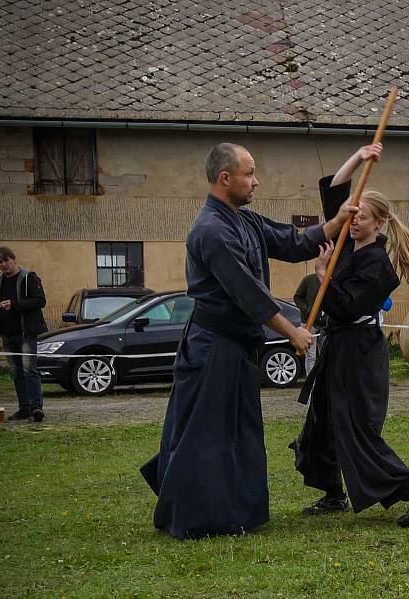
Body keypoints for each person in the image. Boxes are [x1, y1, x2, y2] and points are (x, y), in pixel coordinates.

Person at [140, 143, 356, 540]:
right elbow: (247, 292)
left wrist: (336, 221)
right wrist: (292, 332)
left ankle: (234, 513)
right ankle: (197, 518)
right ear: (226, 178)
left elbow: (290, 241)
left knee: (236, 433)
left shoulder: (244, 219)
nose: (256, 181)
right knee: (207, 435)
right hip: (212, 347)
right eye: (249, 173)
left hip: (236, 347)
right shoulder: (211, 230)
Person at [291, 144, 409, 528]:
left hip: (358, 351)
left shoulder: (378, 266)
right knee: (322, 421)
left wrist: (323, 273)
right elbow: (335, 190)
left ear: (378, 224)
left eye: (362, 217)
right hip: (337, 347)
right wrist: (359, 157)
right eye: (353, 216)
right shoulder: (344, 244)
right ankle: (332, 493)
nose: (354, 221)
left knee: (356, 428)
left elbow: (345, 307)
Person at [0, 247, 47, 422]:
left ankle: (37, 407)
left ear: (14, 259)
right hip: (7, 333)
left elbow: (40, 301)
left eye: (6, 260)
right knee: (16, 372)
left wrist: (14, 304)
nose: (4, 265)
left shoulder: (29, 277)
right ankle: (24, 407)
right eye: (0, 262)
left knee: (30, 369)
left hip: (26, 332)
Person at [293, 272, 327, 375]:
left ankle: (323, 379)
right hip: (309, 322)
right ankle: (310, 380)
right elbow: (297, 297)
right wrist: (307, 310)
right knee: (311, 355)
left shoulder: (331, 279)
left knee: (325, 353)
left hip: (325, 323)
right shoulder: (309, 279)